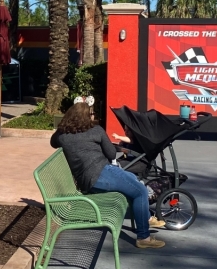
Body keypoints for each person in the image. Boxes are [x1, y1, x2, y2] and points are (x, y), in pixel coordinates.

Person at [50, 99, 167, 249]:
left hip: (86, 180)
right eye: (91, 114)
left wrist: (63, 129)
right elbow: (111, 154)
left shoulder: (62, 135)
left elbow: (53, 142)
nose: (93, 116)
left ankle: (146, 218)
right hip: (101, 173)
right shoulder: (95, 130)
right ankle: (144, 237)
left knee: (133, 179)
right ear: (87, 116)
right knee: (141, 191)